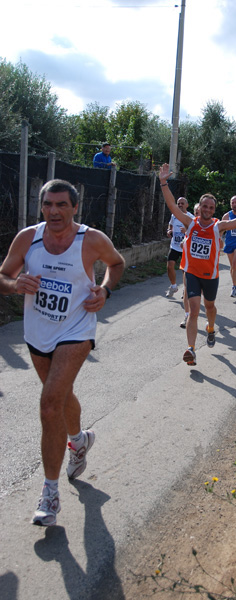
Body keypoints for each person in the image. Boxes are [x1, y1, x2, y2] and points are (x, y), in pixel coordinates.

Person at [0, 179, 125, 526]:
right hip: (38, 331)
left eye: (61, 205)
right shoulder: (28, 238)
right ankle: (79, 439)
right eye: (47, 205)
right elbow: (3, 275)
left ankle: (49, 494)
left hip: (76, 329)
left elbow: (117, 264)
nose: (54, 211)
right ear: (41, 207)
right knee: (61, 395)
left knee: (49, 404)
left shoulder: (91, 240)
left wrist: (104, 291)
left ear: (74, 207)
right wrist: (14, 285)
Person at [159, 163, 236, 365]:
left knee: (210, 307)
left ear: (214, 210)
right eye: (204, 206)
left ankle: (210, 328)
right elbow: (172, 205)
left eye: (211, 207)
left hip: (210, 276)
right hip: (191, 273)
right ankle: (190, 349)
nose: (208, 210)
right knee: (193, 310)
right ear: (199, 209)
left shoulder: (219, 226)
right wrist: (163, 181)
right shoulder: (191, 223)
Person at [165, 197, 193, 299]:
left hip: (185, 247)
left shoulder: (190, 217)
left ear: (187, 205)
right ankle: (173, 286)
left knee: (184, 270)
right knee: (169, 266)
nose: (180, 205)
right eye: (178, 203)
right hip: (175, 246)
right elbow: (170, 225)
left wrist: (186, 231)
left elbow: (195, 232)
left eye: (182, 203)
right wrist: (169, 230)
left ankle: (185, 290)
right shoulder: (174, 215)